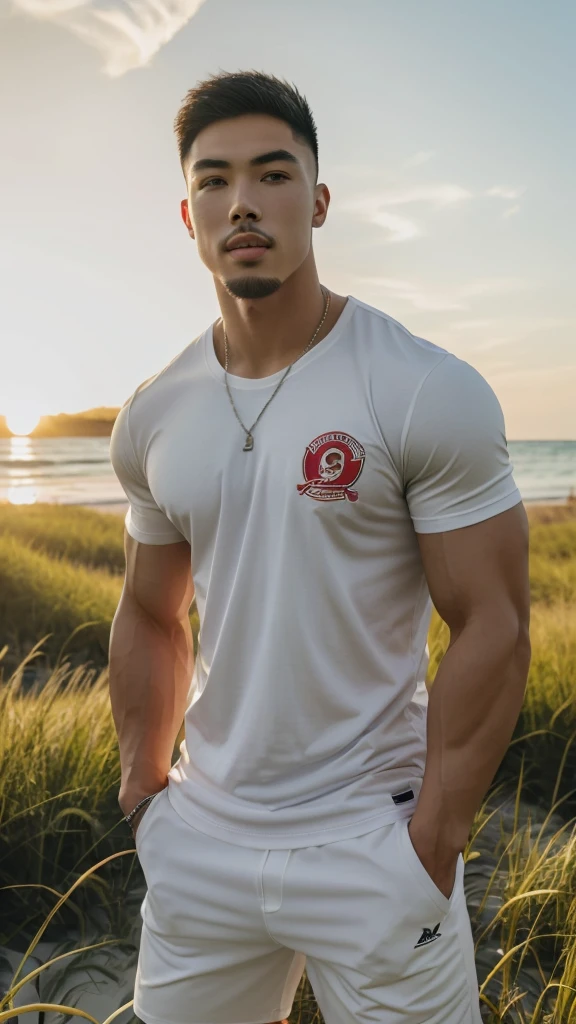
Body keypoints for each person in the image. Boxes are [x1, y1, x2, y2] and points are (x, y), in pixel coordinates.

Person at [108, 69, 531, 1024]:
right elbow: (148, 611)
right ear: (187, 214)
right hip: (200, 842)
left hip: (375, 846)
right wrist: (146, 799)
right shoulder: (154, 412)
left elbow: (495, 625)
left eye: (273, 173)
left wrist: (434, 840)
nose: (243, 202)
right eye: (214, 180)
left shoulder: (421, 387)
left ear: (320, 199)